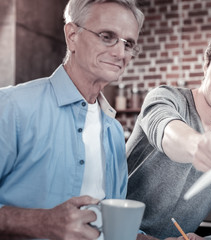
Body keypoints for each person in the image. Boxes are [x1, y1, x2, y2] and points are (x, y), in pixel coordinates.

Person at [0, 0, 144, 239]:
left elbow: (112, 223)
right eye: (107, 36)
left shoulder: (115, 132)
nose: (121, 53)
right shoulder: (12, 106)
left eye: (128, 43)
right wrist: (38, 222)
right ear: (72, 35)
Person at [126, 31, 211, 240]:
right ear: (205, 68)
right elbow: (167, 131)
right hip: (118, 233)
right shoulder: (165, 98)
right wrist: (198, 144)